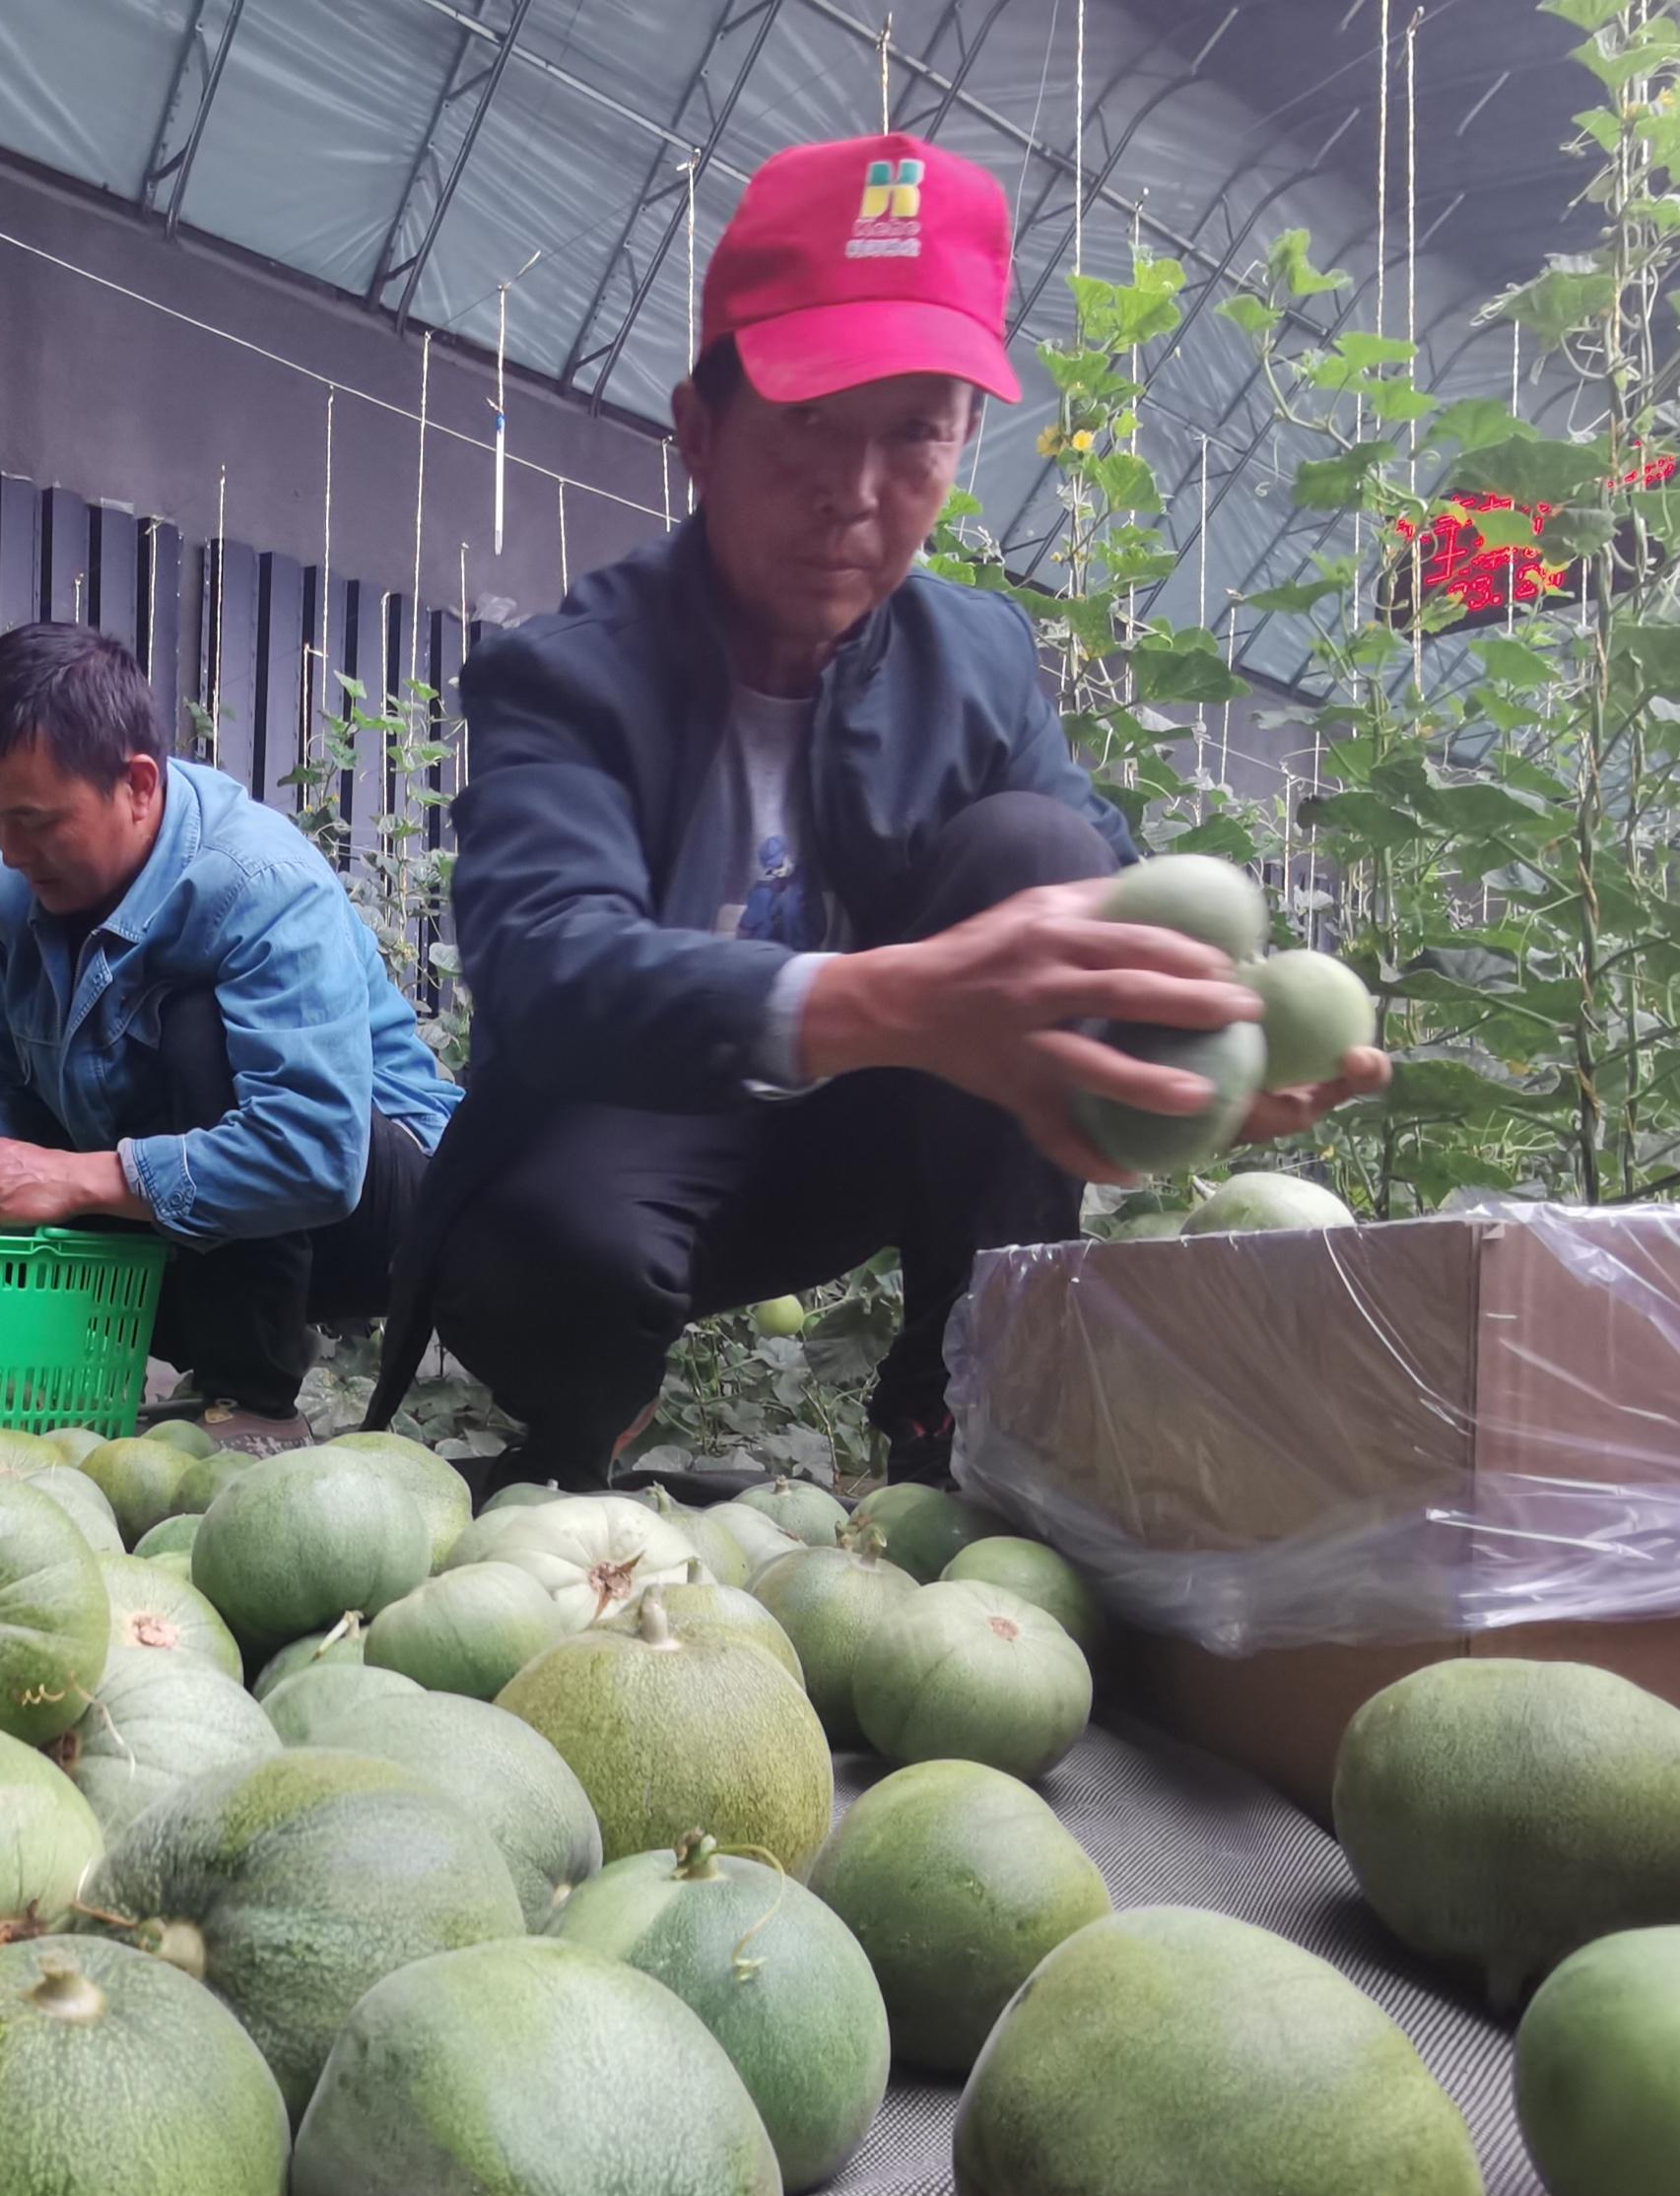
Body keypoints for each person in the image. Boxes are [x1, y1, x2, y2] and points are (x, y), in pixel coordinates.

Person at [369, 133, 1385, 1489]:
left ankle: (955, 1420)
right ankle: (578, 1438)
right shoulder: (570, 674)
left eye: (913, 431)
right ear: (698, 431)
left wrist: (1193, 1058)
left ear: (963, 442)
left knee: (1042, 858)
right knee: (551, 1254)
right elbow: (543, 961)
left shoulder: (976, 662)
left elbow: (1102, 890)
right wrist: (892, 997)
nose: (853, 493)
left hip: (866, 1142)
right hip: (624, 1138)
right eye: (804, 420)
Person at [0, 624, 458, 1449]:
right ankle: (107, 1388)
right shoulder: (10, 894)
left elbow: (312, 1152)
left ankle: (255, 1403)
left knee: (194, 1027)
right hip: (204, 1224)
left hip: (380, 1208)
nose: (10, 852)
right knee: (7, 1169)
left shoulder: (258, 882)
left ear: (136, 784)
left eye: (36, 821)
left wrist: (83, 1175)